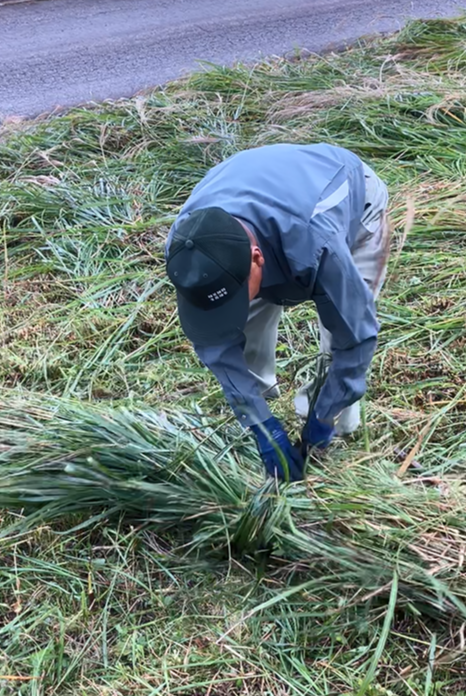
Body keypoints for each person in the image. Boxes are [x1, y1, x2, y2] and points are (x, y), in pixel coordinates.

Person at [165, 143, 389, 482]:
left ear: (257, 259)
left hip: (345, 196)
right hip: (260, 199)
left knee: (337, 349)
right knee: (246, 332)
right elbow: (215, 345)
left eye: (236, 295)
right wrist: (260, 425)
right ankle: (259, 409)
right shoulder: (190, 253)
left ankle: (329, 438)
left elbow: (356, 338)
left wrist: (322, 421)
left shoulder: (316, 243)